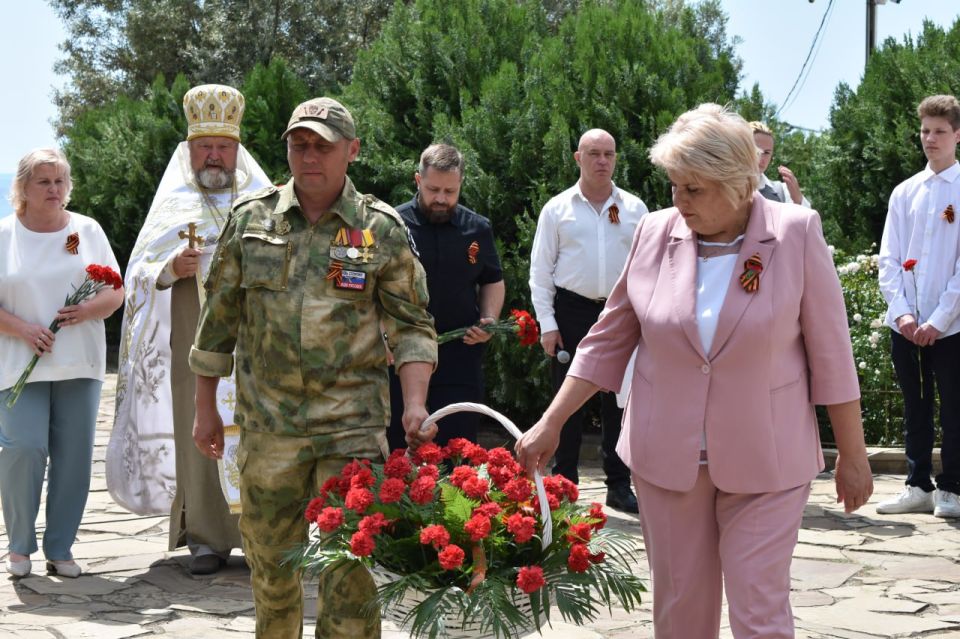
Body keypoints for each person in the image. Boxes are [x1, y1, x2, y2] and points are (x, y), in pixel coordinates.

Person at [516, 104, 874, 638]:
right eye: (674, 186)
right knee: (681, 612)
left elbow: (832, 353)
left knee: (760, 611)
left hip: (768, 459)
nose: (679, 200)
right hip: (665, 459)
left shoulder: (796, 232)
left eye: (693, 189)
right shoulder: (655, 231)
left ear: (738, 184)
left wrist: (853, 454)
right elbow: (608, 340)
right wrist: (553, 421)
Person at [189, 97, 437, 638]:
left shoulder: (379, 228)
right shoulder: (251, 220)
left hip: (351, 427)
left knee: (351, 573)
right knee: (272, 570)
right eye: (299, 145)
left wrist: (415, 404)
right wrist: (205, 409)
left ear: (352, 151)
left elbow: (413, 326)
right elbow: (218, 323)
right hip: (270, 429)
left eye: (322, 146)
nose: (309, 156)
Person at [106, 84, 271, 574]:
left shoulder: (262, 201)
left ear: (237, 150)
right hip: (191, 331)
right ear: (189, 151)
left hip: (253, 341)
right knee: (197, 429)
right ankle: (205, 539)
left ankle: (262, 537)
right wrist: (170, 268)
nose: (214, 156)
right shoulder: (172, 206)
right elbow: (137, 272)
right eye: (204, 146)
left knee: (260, 434)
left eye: (223, 146)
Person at [0, 148, 124, 578]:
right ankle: (19, 546)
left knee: (73, 458)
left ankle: (60, 547)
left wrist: (86, 311)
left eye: (59, 181)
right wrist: (22, 328)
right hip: (18, 363)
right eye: (43, 181)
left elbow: (116, 290)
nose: (54, 189)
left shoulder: (86, 230)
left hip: (79, 364)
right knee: (24, 448)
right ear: (22, 187)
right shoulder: (4, 234)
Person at [529, 128, 648, 513]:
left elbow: (648, 267)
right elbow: (540, 272)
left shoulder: (635, 209)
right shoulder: (557, 209)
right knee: (567, 402)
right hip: (571, 311)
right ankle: (564, 484)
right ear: (578, 158)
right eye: (594, 153)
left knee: (620, 401)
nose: (602, 161)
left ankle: (619, 485)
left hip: (620, 313)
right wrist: (548, 323)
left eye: (609, 154)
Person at [386, 143, 504, 450]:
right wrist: (380, 334)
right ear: (418, 180)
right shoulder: (391, 225)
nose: (441, 198)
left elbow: (492, 280)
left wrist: (489, 319)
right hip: (400, 354)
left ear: (461, 183)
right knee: (397, 448)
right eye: (433, 189)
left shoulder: (477, 228)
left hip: (459, 352)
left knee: (458, 448)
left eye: (450, 191)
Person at [876, 94, 960, 519]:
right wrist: (903, 314)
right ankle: (917, 484)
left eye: (940, 131)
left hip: (953, 326)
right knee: (915, 406)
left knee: (955, 407)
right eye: (925, 130)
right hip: (907, 324)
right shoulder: (904, 191)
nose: (930, 138)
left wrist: (939, 319)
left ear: (957, 135)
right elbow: (888, 258)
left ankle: (953, 488)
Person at [750, 121, 810, 207]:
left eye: (767, 152)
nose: (761, 158)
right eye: (756, 151)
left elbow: (808, 214)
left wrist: (797, 199)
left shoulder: (782, 191)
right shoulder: (729, 187)